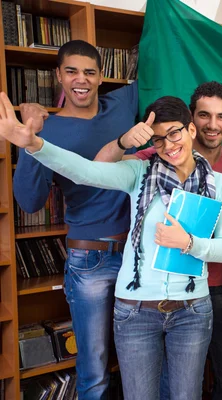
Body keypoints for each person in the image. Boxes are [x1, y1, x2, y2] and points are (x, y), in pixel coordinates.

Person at [1, 93, 222, 400]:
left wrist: (189, 243)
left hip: (192, 310)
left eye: (175, 133)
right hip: (136, 312)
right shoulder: (138, 172)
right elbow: (84, 171)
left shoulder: (218, 183)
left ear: (191, 130)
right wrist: (33, 145)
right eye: (158, 139)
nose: (169, 145)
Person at [94, 81, 222, 400]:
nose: (212, 124)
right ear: (192, 122)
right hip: (156, 287)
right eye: (205, 115)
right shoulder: (157, 155)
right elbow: (101, 170)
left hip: (211, 285)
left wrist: (191, 241)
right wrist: (124, 142)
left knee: (219, 379)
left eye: (221, 116)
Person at [13, 40, 138, 400]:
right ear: (58, 76)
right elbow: (30, 201)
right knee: (95, 369)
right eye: (71, 71)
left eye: (89, 72)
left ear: (101, 77)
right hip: (90, 262)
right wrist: (30, 137)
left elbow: (166, 63)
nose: (80, 80)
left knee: (139, 358)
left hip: (137, 255)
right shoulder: (48, 130)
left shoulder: (125, 103)